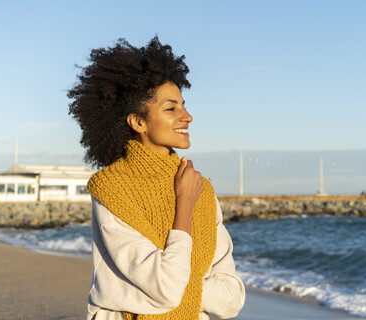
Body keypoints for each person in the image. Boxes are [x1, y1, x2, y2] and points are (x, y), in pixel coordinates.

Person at [68, 37, 245, 320]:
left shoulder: (201, 186)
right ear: (138, 121)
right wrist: (184, 202)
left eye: (184, 106)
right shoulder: (113, 188)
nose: (187, 116)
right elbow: (166, 288)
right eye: (171, 108)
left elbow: (233, 297)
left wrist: (173, 290)